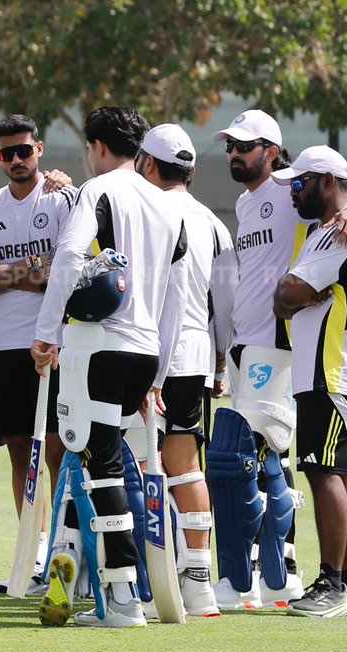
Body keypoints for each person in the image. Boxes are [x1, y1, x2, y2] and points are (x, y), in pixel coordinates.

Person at [210, 109, 347, 609]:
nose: (235, 153)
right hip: (247, 342)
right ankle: (285, 573)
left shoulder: (292, 187)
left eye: (246, 145)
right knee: (283, 465)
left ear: (273, 152)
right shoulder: (244, 203)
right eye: (230, 145)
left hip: (283, 348)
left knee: (253, 463)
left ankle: (266, 575)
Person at [31, 106, 188, 628]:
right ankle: (85, 577)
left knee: (100, 464)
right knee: (101, 458)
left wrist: (45, 332)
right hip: (144, 352)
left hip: (99, 347)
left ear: (97, 148)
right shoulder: (170, 207)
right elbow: (177, 295)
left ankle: (121, 599)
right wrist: (160, 375)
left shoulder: (98, 191)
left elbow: (70, 258)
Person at [0, 115, 75, 593]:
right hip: (4, 349)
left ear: (40, 150)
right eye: (7, 153)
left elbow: (70, 271)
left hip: (55, 345)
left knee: (56, 453)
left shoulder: (64, 198)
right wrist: (34, 267)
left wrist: (8, 274)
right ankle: (34, 556)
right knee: (20, 459)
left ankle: (62, 555)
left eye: (23, 151)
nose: (16, 160)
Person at [273, 146, 347, 618]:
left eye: (300, 184)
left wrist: (300, 292)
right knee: (339, 474)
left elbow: (286, 294)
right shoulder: (339, 225)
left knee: (322, 472)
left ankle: (332, 584)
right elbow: (289, 300)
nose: (293, 194)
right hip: (340, 370)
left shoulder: (339, 232)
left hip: (332, 371)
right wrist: (299, 295)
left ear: (329, 182)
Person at [135, 123, 235, 617]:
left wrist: (149, 377)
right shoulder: (213, 222)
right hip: (194, 358)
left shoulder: (144, 211)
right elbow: (227, 303)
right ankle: (197, 583)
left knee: (140, 466)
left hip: (147, 356)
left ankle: (148, 585)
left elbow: (156, 299)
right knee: (186, 464)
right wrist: (220, 361)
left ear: (148, 165)